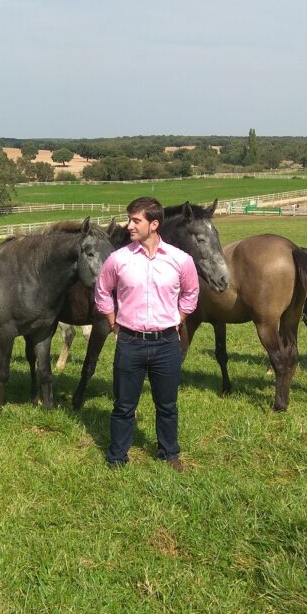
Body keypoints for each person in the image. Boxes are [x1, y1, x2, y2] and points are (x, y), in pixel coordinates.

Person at [94, 196, 200, 472]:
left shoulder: (180, 260)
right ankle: (117, 456)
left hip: (166, 343)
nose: (129, 225)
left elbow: (191, 292)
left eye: (136, 220)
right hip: (129, 342)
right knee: (123, 405)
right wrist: (113, 322)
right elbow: (102, 291)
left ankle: (169, 453)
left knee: (167, 405)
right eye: (129, 219)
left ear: (154, 224)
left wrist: (180, 317)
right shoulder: (118, 260)